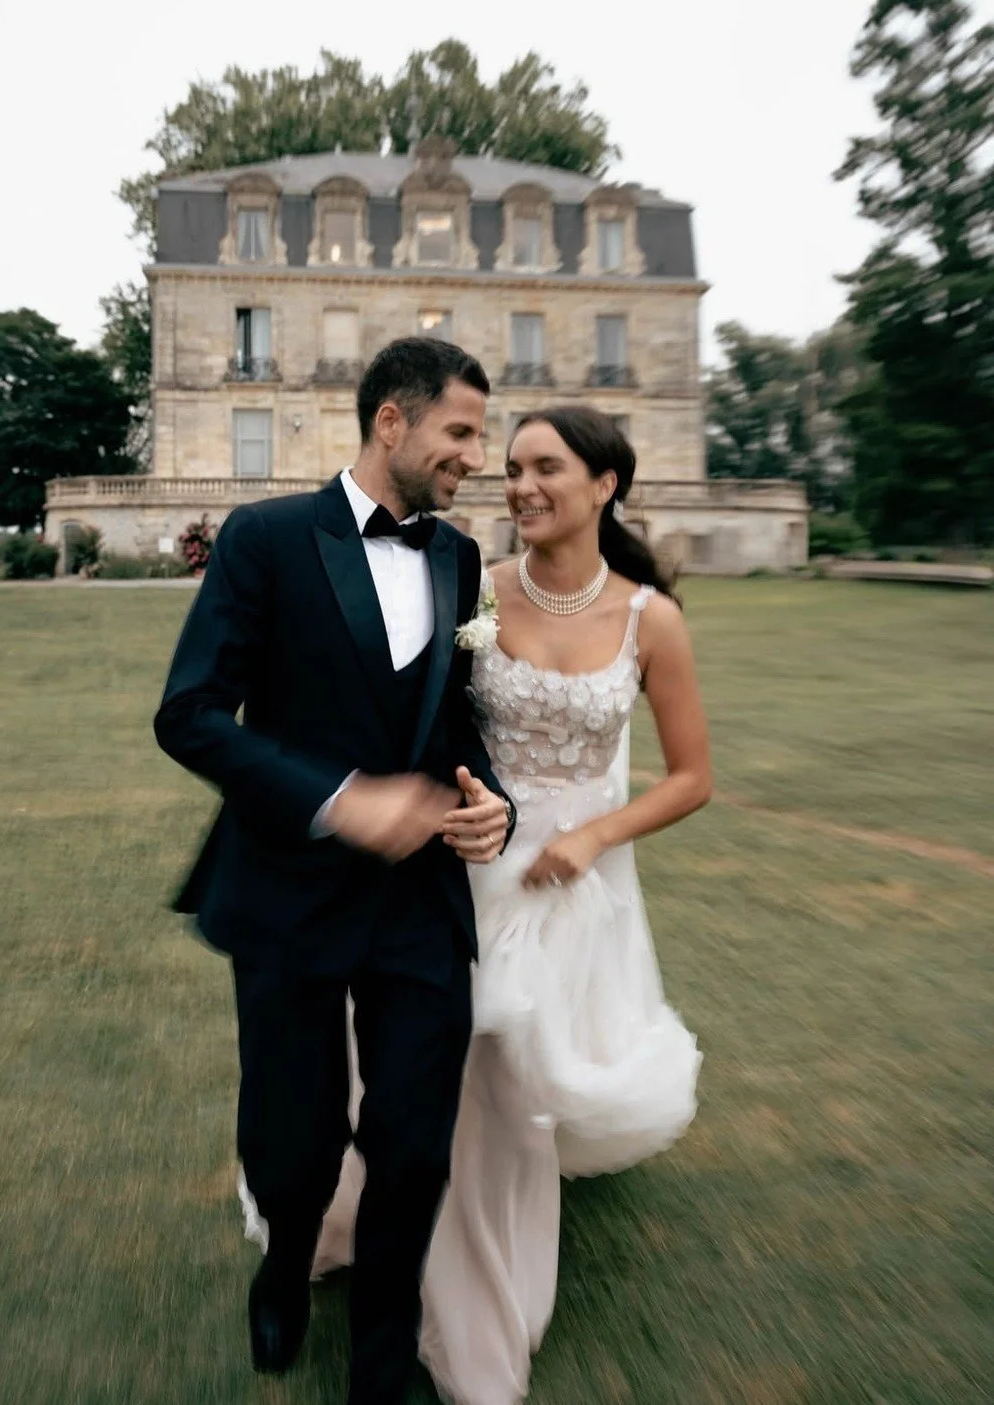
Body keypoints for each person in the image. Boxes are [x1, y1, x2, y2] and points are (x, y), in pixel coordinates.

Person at [284, 405, 709, 1404]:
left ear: (605, 483)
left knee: (515, 1100)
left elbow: (693, 777)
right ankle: (365, 1231)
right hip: (464, 864)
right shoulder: (474, 585)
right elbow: (417, 716)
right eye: (512, 467)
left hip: (575, 883)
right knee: (416, 1072)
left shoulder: (652, 619)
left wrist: (593, 838)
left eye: (545, 467)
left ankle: (479, 1307)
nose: (519, 485)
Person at [154, 337, 516, 1405]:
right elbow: (189, 715)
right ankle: (284, 1262)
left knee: (415, 1138)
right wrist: (337, 797)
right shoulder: (265, 538)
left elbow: (454, 717)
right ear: (392, 421)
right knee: (293, 1130)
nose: (475, 457)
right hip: (288, 887)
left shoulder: (460, 558)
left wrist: (491, 797)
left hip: (419, 900)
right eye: (460, 432)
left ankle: (382, 1357)